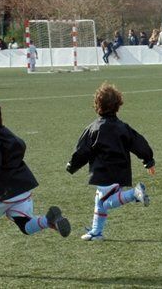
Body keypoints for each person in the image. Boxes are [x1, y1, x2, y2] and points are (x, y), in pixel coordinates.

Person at [0, 98, 71, 276]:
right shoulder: (7, 134)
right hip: (21, 190)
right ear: (0, 119)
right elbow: (20, 145)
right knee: (25, 225)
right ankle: (48, 220)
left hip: (0, 194)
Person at [66, 82, 153, 241]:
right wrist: (148, 160)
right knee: (99, 201)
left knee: (105, 203)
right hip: (121, 172)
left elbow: (82, 151)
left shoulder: (93, 128)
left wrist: (72, 165)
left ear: (97, 105)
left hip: (104, 173)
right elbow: (139, 143)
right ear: (118, 105)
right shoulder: (123, 127)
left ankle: (134, 194)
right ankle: (96, 232)